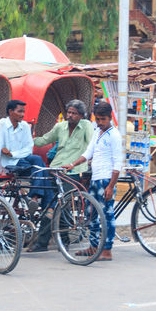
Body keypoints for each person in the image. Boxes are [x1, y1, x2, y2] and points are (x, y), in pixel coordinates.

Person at [27, 99, 93, 251]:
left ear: (81, 115)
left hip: (73, 171)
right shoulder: (60, 126)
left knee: (61, 206)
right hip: (55, 169)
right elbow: (44, 140)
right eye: (68, 112)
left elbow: (91, 146)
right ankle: (51, 242)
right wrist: (26, 139)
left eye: (74, 113)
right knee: (50, 204)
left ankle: (55, 241)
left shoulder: (86, 126)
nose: (70, 116)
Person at [63, 101, 122, 261]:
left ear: (110, 118)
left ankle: (107, 250)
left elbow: (118, 163)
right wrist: (73, 164)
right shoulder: (97, 132)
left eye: (103, 119)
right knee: (91, 214)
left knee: (107, 215)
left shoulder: (114, 135)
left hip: (106, 180)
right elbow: (89, 152)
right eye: (98, 119)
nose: (100, 122)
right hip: (95, 179)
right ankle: (93, 246)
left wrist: (111, 186)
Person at [0, 99, 48, 208]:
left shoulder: (25, 126)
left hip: (21, 158)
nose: (22, 115)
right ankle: (41, 202)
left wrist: (13, 154)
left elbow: (28, 148)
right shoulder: (1, 124)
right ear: (10, 111)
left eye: (23, 112)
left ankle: (35, 198)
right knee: (41, 170)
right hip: (9, 163)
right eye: (19, 111)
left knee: (38, 160)